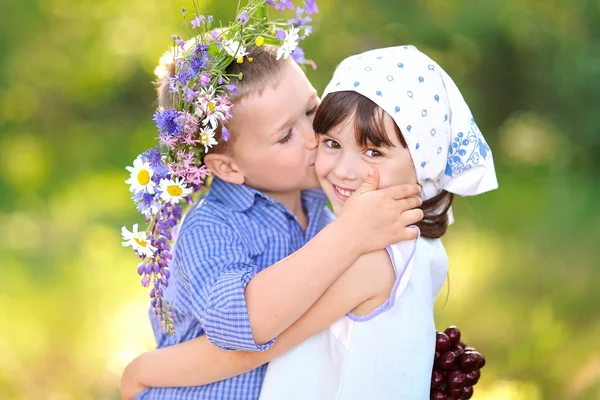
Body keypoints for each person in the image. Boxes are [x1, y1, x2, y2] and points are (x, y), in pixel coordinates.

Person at [120, 45, 498, 400]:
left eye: (310, 110)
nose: (313, 140)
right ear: (228, 167)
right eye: (286, 136)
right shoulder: (211, 228)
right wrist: (347, 235)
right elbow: (240, 327)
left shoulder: (323, 200)